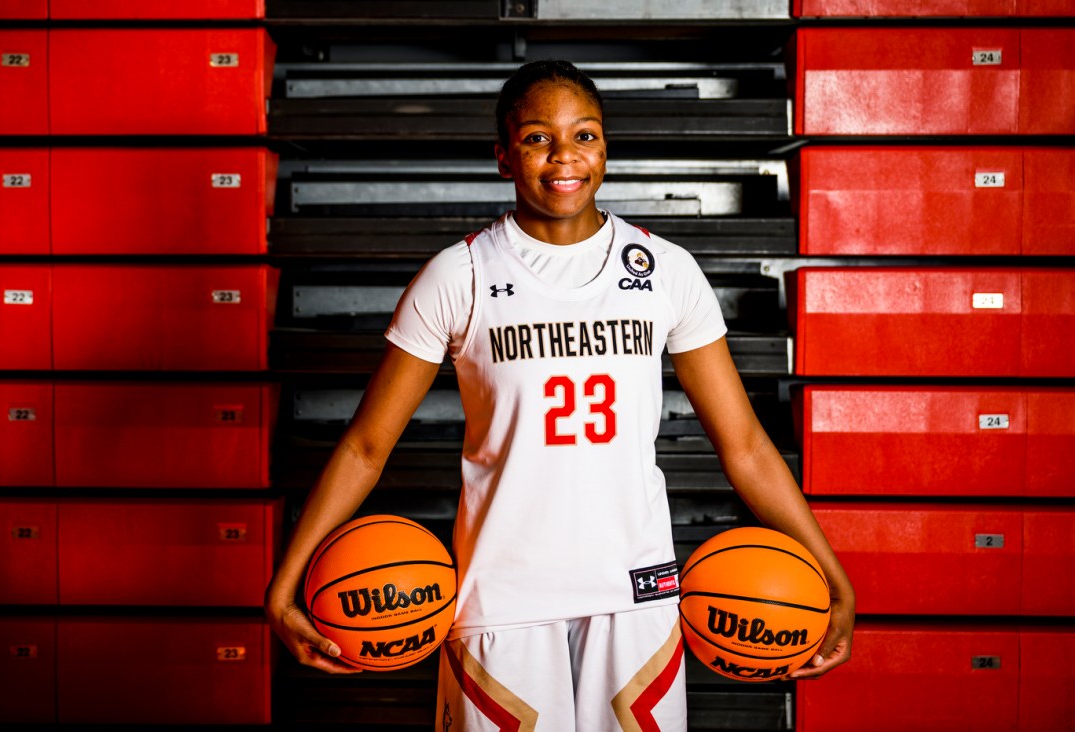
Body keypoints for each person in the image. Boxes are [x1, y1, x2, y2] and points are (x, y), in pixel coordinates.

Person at [266, 59, 854, 731]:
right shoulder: (459, 275)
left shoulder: (666, 270)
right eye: (537, 138)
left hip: (636, 597)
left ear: (605, 146)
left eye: (585, 135)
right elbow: (367, 447)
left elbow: (745, 446)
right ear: (502, 156)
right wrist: (286, 581)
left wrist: (833, 574)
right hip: (502, 598)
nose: (564, 156)